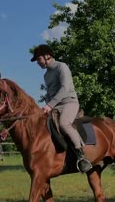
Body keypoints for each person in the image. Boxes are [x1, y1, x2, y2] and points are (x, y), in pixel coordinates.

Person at [31, 44, 93, 173]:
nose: (38, 62)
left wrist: (50, 105)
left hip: (69, 102)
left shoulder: (61, 67)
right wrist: (44, 106)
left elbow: (65, 88)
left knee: (64, 124)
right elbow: (49, 93)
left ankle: (82, 158)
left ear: (47, 56)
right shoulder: (46, 75)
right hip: (54, 105)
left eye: (38, 59)